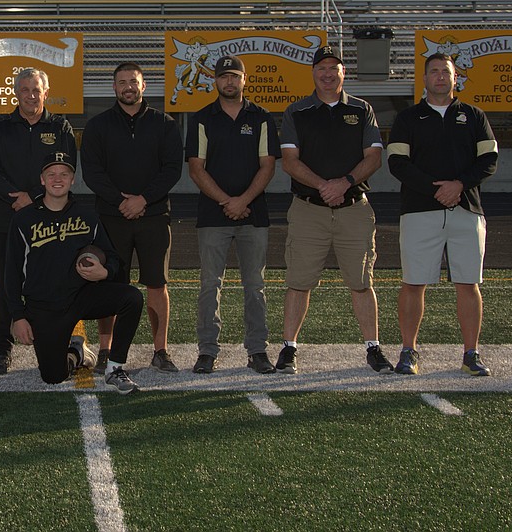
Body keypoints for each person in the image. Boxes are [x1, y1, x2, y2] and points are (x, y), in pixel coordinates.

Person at [278, 46, 393, 375]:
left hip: (353, 207)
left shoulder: (361, 109)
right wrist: (323, 186)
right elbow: (289, 161)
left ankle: (373, 347)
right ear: (313, 72)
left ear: (344, 72)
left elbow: (373, 158)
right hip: (308, 208)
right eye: (322, 68)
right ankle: (289, 348)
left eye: (334, 68)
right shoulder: (297, 111)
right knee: (299, 281)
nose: (328, 74)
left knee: (361, 281)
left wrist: (343, 182)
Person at [387, 52, 499, 376]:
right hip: (420, 210)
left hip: (466, 210)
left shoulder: (474, 116)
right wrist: (436, 189)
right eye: (433, 72)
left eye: (445, 72)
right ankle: (408, 351)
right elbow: (397, 164)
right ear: (424, 78)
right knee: (413, 283)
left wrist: (459, 185)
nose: (440, 77)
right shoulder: (408, 119)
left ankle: (471, 353)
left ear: (455, 78)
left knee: (469, 283)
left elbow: (489, 160)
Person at [6, 152, 145, 394]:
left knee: (132, 297)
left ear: (72, 180)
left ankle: (114, 368)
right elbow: (11, 273)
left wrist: (105, 272)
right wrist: (18, 316)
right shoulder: (23, 220)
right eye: (51, 174)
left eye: (64, 174)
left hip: (81, 296)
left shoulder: (87, 216)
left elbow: (113, 258)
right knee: (52, 376)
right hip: (44, 305)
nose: (57, 179)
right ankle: (76, 354)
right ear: (42, 179)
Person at [81, 62, 184, 372]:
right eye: (122, 82)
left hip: (153, 216)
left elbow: (171, 170)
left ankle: (160, 350)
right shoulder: (98, 126)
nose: (128, 86)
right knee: (110, 284)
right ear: (114, 88)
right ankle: (105, 349)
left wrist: (143, 199)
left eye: (133, 81)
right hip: (111, 217)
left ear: (144, 86)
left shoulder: (164, 124)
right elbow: (93, 172)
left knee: (157, 284)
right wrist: (120, 201)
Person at [185, 55, 278, 374]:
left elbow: (268, 165)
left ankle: (257, 350)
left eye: (234, 76)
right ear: (215, 81)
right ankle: (208, 350)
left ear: (244, 80)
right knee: (210, 284)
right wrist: (228, 201)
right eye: (223, 77)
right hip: (213, 215)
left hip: (254, 214)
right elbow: (196, 169)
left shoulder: (262, 118)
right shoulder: (201, 119)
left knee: (255, 285)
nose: (229, 82)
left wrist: (243, 201)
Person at [0, 67, 75, 375]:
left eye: (36, 90)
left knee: (52, 284)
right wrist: (15, 198)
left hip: (49, 219)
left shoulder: (61, 127)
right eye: (24, 89)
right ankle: (1, 350)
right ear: (15, 93)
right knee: (5, 287)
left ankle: (51, 344)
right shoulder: (0, 128)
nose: (31, 95)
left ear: (45, 93)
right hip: (8, 220)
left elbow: (66, 170)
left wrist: (33, 196)